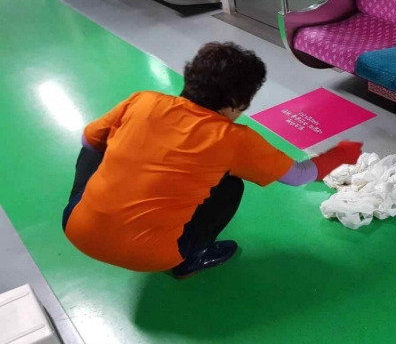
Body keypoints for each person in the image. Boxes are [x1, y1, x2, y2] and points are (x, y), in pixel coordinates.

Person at [62, 42, 362, 279]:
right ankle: (189, 259)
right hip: (150, 256)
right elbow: (299, 175)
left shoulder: (143, 100)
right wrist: (341, 154)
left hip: (76, 227)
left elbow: (88, 141)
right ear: (237, 103)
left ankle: (100, 210)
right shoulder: (233, 139)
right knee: (230, 186)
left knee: (96, 145)